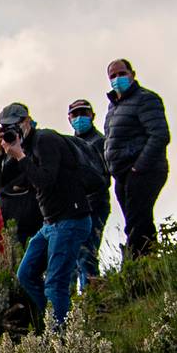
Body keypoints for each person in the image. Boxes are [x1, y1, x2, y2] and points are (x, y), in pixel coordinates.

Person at [0, 103, 93, 328]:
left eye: (15, 125)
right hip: (51, 224)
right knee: (26, 274)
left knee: (55, 283)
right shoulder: (22, 147)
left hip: (70, 219)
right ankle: (56, 319)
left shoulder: (45, 140)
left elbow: (44, 182)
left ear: (27, 121)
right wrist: (0, 154)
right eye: (6, 127)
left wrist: (19, 156)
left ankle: (63, 334)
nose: (12, 131)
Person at [102, 60, 169, 262]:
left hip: (144, 171)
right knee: (137, 220)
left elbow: (159, 135)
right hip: (122, 174)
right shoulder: (113, 108)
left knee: (137, 221)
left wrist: (138, 166)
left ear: (132, 73)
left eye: (121, 73)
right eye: (112, 76)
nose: (117, 79)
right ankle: (147, 262)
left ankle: (136, 263)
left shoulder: (145, 99)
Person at [67, 99, 111, 286]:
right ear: (69, 118)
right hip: (75, 208)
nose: (79, 118)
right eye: (75, 114)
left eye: (83, 113)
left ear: (92, 115)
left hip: (96, 204)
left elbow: (105, 176)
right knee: (73, 255)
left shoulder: (99, 142)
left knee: (87, 252)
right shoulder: (69, 144)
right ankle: (78, 306)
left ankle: (92, 296)